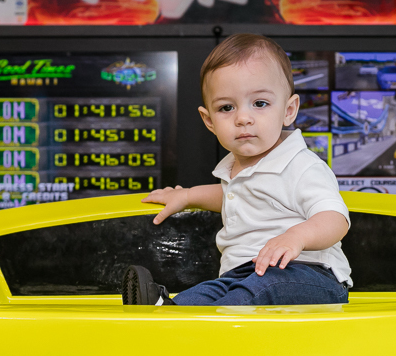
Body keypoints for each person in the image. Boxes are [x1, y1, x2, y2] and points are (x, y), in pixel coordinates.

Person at [122, 33, 351, 306]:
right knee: (203, 293)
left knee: (259, 290)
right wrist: (187, 196)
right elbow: (232, 196)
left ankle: (213, 314)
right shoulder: (234, 169)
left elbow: (335, 219)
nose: (243, 118)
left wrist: (296, 237)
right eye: (226, 107)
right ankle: (168, 308)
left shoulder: (301, 165)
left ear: (289, 110)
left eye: (260, 103)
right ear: (209, 121)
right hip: (240, 275)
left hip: (307, 274)